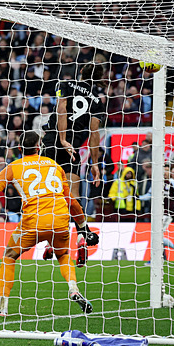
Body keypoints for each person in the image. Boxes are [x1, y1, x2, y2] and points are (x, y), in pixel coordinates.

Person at [0, 131, 93, 317]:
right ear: (39, 147)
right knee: (64, 255)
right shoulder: (54, 165)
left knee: (9, 256)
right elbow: (71, 201)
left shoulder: (14, 167)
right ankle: (73, 288)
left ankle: (3, 307)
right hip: (60, 219)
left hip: (33, 222)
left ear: (19, 148)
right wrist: (83, 226)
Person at [41, 62, 105, 260]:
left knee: (49, 195)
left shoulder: (66, 84)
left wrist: (62, 138)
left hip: (53, 142)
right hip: (73, 150)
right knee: (74, 197)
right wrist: (95, 164)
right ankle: (81, 238)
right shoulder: (97, 101)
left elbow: (62, 108)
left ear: (80, 72)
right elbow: (94, 133)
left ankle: (53, 242)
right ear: (99, 80)